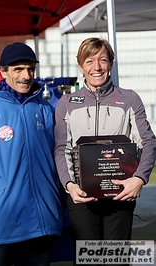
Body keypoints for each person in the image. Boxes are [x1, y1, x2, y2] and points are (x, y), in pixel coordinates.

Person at [0, 42, 63, 266]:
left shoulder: (45, 110)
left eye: (30, 69)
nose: (26, 76)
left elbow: (58, 162)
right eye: (18, 69)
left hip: (42, 222)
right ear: (3, 71)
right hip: (1, 225)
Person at [54, 37, 156, 244]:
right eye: (89, 61)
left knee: (115, 258)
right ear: (81, 67)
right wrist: (70, 185)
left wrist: (139, 179)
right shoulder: (66, 103)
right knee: (88, 258)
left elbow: (148, 142)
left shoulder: (129, 99)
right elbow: (61, 148)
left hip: (120, 195)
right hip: (82, 196)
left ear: (111, 63)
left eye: (103, 60)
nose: (97, 67)